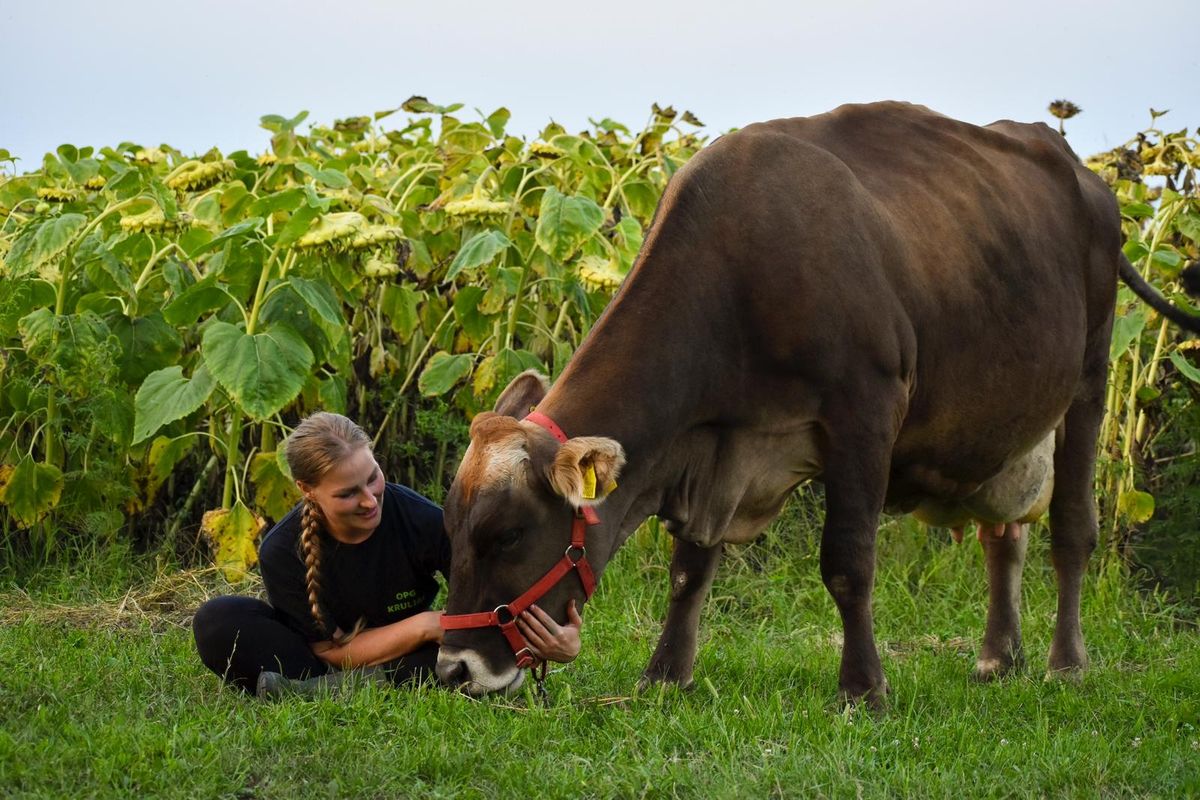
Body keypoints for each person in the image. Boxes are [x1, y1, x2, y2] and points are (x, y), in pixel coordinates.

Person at [192, 411, 583, 698]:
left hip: (410, 657)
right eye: (347, 493)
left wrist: (559, 641)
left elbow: (495, 596)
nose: (369, 500)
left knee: (459, 656)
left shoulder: (420, 520)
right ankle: (324, 687)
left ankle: (310, 693)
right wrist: (427, 625)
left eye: (373, 477)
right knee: (218, 621)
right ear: (307, 490)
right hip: (323, 659)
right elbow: (330, 651)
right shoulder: (281, 549)